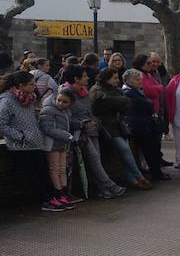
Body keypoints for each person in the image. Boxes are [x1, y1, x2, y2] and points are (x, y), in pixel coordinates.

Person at [57, 65, 126, 199]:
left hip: (92, 129)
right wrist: (82, 124)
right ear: (76, 79)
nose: (88, 78)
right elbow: (66, 117)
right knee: (94, 158)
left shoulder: (84, 91)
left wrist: (95, 121)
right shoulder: (65, 93)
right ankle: (110, 185)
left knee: (96, 160)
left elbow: (90, 111)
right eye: (84, 76)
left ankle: (102, 189)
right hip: (79, 132)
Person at [0, 70, 64, 211]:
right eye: (31, 84)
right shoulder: (6, 101)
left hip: (34, 142)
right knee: (33, 176)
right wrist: (20, 136)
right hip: (20, 145)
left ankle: (53, 197)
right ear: (20, 85)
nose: (34, 87)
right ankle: (46, 201)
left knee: (42, 172)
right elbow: (1, 124)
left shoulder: (28, 98)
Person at [90, 67, 152, 190]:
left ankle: (133, 179)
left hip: (118, 126)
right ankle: (138, 176)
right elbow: (105, 104)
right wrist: (119, 102)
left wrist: (118, 103)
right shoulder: (96, 90)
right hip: (106, 127)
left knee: (127, 151)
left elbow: (126, 105)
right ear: (107, 79)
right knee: (124, 149)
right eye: (114, 78)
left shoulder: (115, 91)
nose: (117, 81)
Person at [122, 68, 169, 182]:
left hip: (144, 124)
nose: (140, 82)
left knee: (153, 149)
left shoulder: (136, 91)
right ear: (130, 81)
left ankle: (155, 172)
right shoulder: (129, 92)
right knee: (150, 150)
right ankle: (155, 173)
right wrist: (149, 103)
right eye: (138, 80)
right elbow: (145, 105)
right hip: (139, 126)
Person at [39, 87, 81, 207]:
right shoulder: (48, 110)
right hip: (52, 144)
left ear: (70, 103)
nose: (61, 103)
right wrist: (68, 136)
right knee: (54, 168)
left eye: (65, 102)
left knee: (62, 168)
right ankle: (57, 193)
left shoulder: (66, 111)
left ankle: (63, 192)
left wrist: (79, 125)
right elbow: (48, 129)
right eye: (59, 100)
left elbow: (68, 123)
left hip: (62, 143)